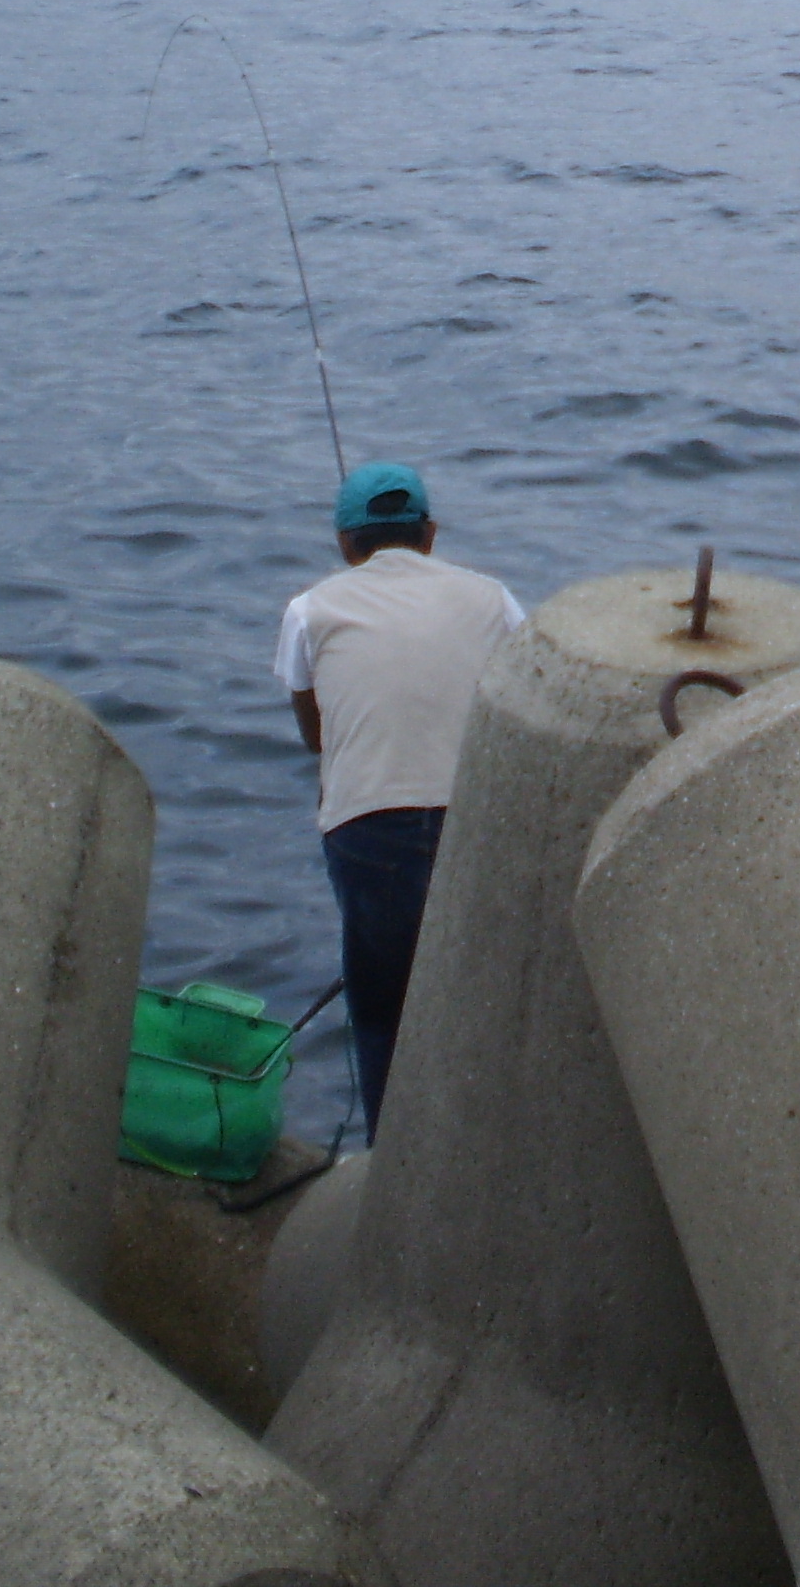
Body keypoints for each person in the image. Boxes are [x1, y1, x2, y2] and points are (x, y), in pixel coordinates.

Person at [276, 460, 523, 1139]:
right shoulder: (494, 599)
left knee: (383, 1011)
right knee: (475, 1004)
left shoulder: (309, 610)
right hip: (477, 823)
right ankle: (481, 1152)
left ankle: (390, 1170)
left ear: (343, 543)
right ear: (432, 533)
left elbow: (314, 735)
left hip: (367, 831)